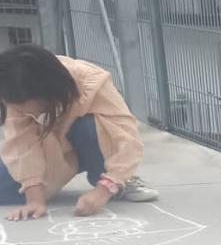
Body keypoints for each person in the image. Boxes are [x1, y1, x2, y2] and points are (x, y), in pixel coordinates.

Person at [0, 45, 158, 221]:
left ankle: (120, 180)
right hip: (51, 150)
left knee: (88, 126)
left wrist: (105, 188)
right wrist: (35, 200)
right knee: (5, 188)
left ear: (46, 94)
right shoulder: (15, 91)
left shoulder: (91, 81)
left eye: (30, 108)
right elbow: (21, 145)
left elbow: (126, 136)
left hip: (91, 144)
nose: (26, 113)